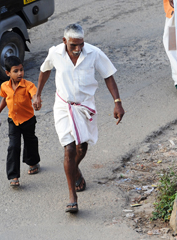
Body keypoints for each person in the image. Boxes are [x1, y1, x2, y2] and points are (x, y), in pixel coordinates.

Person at [32, 23, 125, 213]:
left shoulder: (93, 53)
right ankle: (72, 197)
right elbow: (45, 70)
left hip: (85, 106)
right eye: (73, 45)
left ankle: (74, 170)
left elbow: (108, 76)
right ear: (64, 41)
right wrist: (38, 94)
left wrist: (117, 102)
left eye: (80, 44)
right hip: (63, 106)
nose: (77, 49)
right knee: (69, 148)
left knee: (82, 146)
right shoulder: (55, 53)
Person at [0, 56, 41, 188]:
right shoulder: (4, 86)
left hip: (28, 120)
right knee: (13, 146)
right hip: (13, 121)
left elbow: (34, 94)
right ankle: (14, 176)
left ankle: (33, 163)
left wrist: (36, 101)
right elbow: (4, 100)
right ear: (8, 73)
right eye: (16, 71)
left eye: (21, 70)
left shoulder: (28, 85)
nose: (20, 73)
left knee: (30, 142)